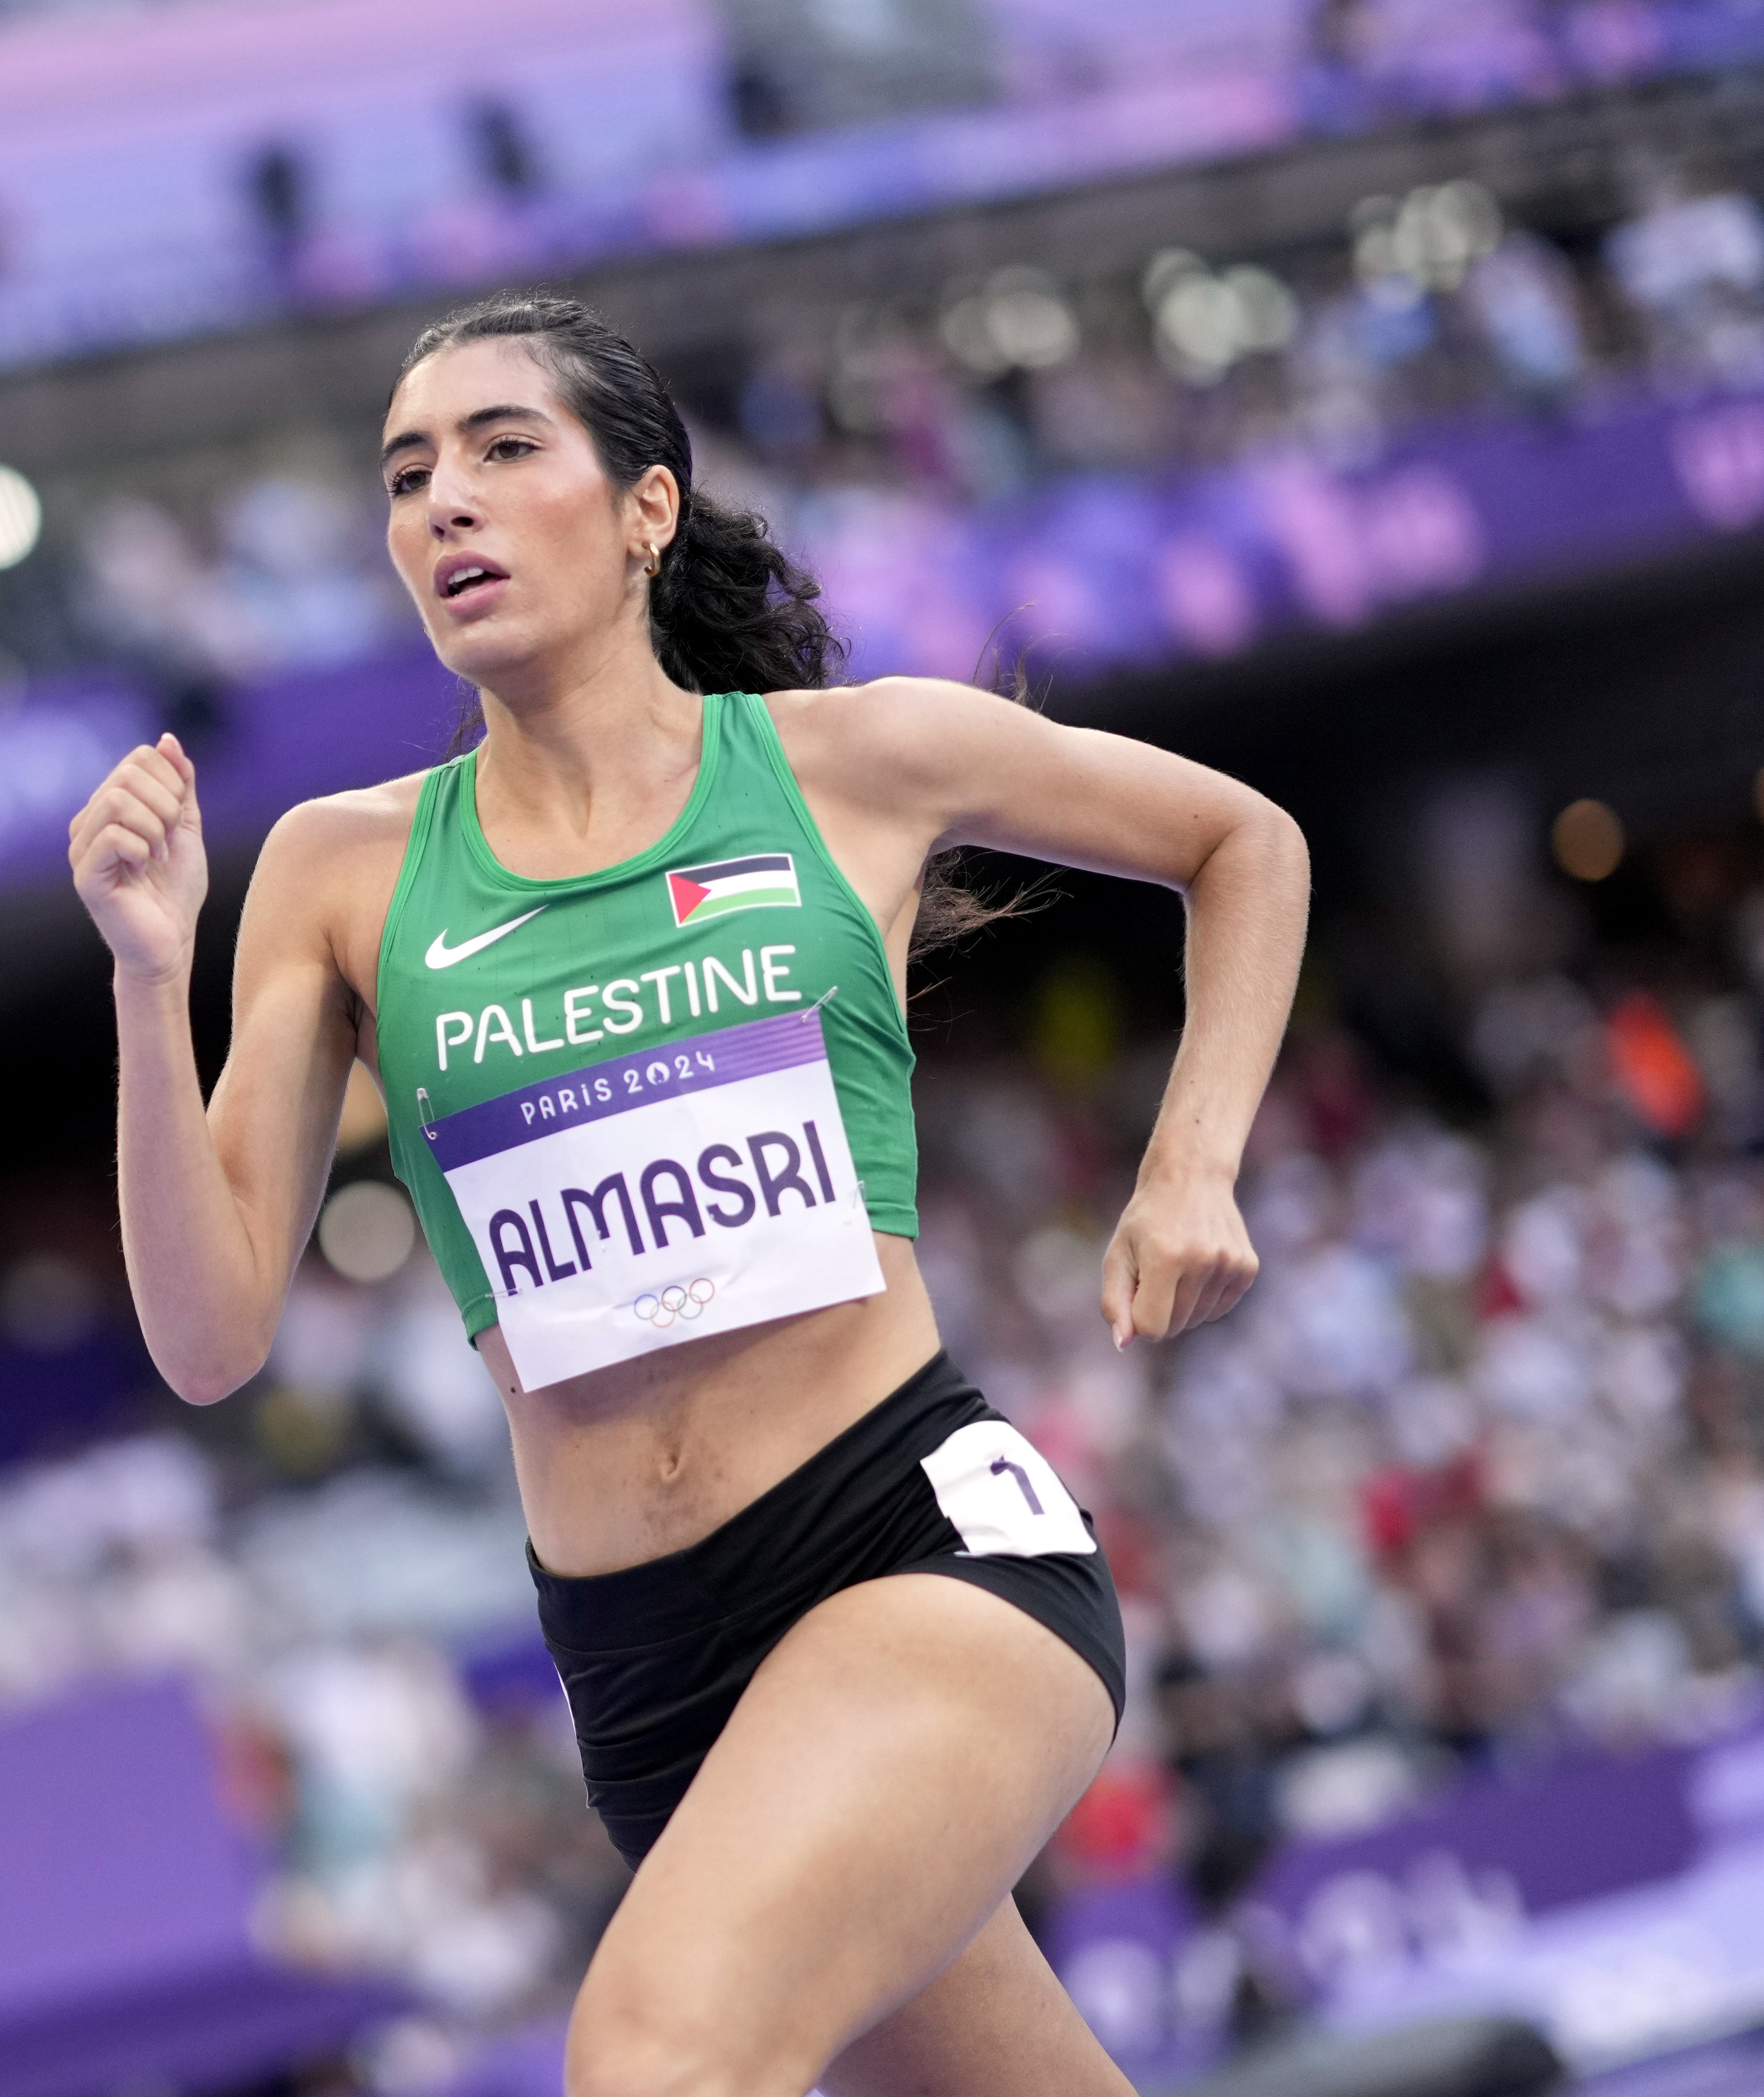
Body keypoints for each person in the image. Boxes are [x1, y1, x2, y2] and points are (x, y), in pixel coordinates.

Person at [66, 292, 1306, 2097]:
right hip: (645, 1678)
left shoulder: (848, 761)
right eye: (407, 475)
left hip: (910, 1549)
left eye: (501, 451)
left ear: (643, 508)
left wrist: (1186, 1162)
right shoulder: (339, 872)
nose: (444, 506)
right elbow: (201, 1337)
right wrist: (136, 976)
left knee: (653, 2060)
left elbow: (1238, 841)